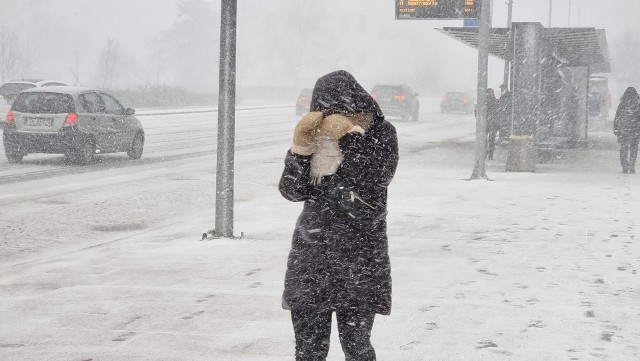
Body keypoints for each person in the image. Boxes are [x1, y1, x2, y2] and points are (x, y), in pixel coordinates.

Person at [279, 70, 399, 361]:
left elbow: (376, 178)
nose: (330, 116)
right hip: (312, 258)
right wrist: (300, 148)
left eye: (339, 109)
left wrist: (348, 136)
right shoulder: (315, 137)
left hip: (360, 258)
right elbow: (292, 190)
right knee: (308, 352)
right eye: (323, 109)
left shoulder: (380, 132)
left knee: (357, 349)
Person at [613, 87, 640, 174]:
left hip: (623, 130)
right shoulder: (638, 104)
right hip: (635, 130)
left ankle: (625, 167)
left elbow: (617, 117)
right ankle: (631, 166)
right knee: (633, 149)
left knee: (623, 148)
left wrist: (616, 128)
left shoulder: (622, 104)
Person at [484, 88, 500, 160]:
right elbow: (499, 112)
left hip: (486, 123)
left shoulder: (483, 101)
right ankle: (490, 155)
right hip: (492, 123)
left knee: (484, 139)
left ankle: (485, 154)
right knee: (491, 140)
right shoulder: (495, 102)